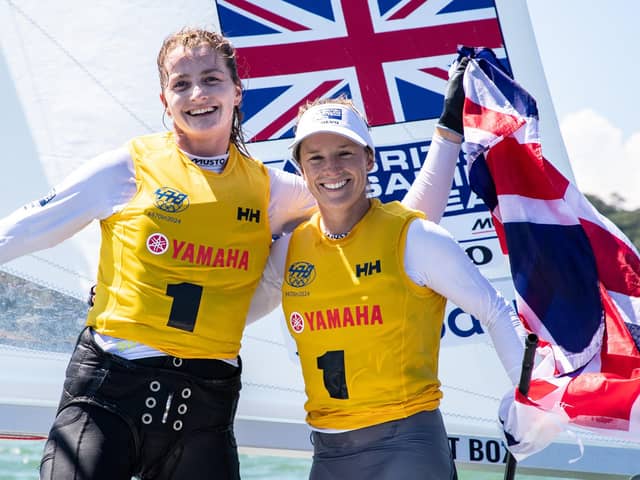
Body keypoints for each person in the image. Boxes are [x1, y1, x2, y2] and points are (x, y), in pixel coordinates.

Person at [0, 27, 468, 480]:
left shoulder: (272, 191)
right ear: (165, 101)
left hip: (205, 406)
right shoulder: (127, 167)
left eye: (211, 80)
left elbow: (399, 230)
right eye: (181, 84)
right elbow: (24, 229)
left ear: (237, 91)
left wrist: (447, 135)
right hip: (109, 392)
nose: (198, 94)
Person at [245, 95, 526, 480]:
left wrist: (527, 402)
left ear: (369, 159)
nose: (331, 168)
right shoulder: (291, 250)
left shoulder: (416, 237)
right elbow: (232, 319)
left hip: (408, 446)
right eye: (316, 158)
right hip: (328, 455)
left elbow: (495, 310)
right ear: (301, 169)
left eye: (345, 153)